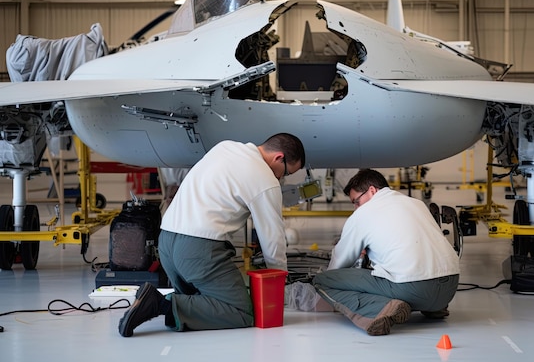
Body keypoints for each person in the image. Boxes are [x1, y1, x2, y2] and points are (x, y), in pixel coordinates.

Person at [118, 132, 306, 337]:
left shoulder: (225, 146)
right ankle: (159, 304)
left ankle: (153, 302)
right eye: (286, 172)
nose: (281, 178)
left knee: (200, 299)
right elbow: (273, 239)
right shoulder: (266, 179)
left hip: (166, 242)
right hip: (197, 250)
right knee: (242, 310)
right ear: (278, 157)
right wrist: (278, 283)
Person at [312, 169, 460, 336]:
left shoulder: (363, 213)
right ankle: (434, 308)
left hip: (414, 289)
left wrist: (331, 286)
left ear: (372, 190)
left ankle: (379, 310)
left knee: (323, 280)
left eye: (356, 202)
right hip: (449, 289)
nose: (355, 208)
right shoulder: (416, 203)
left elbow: (340, 261)